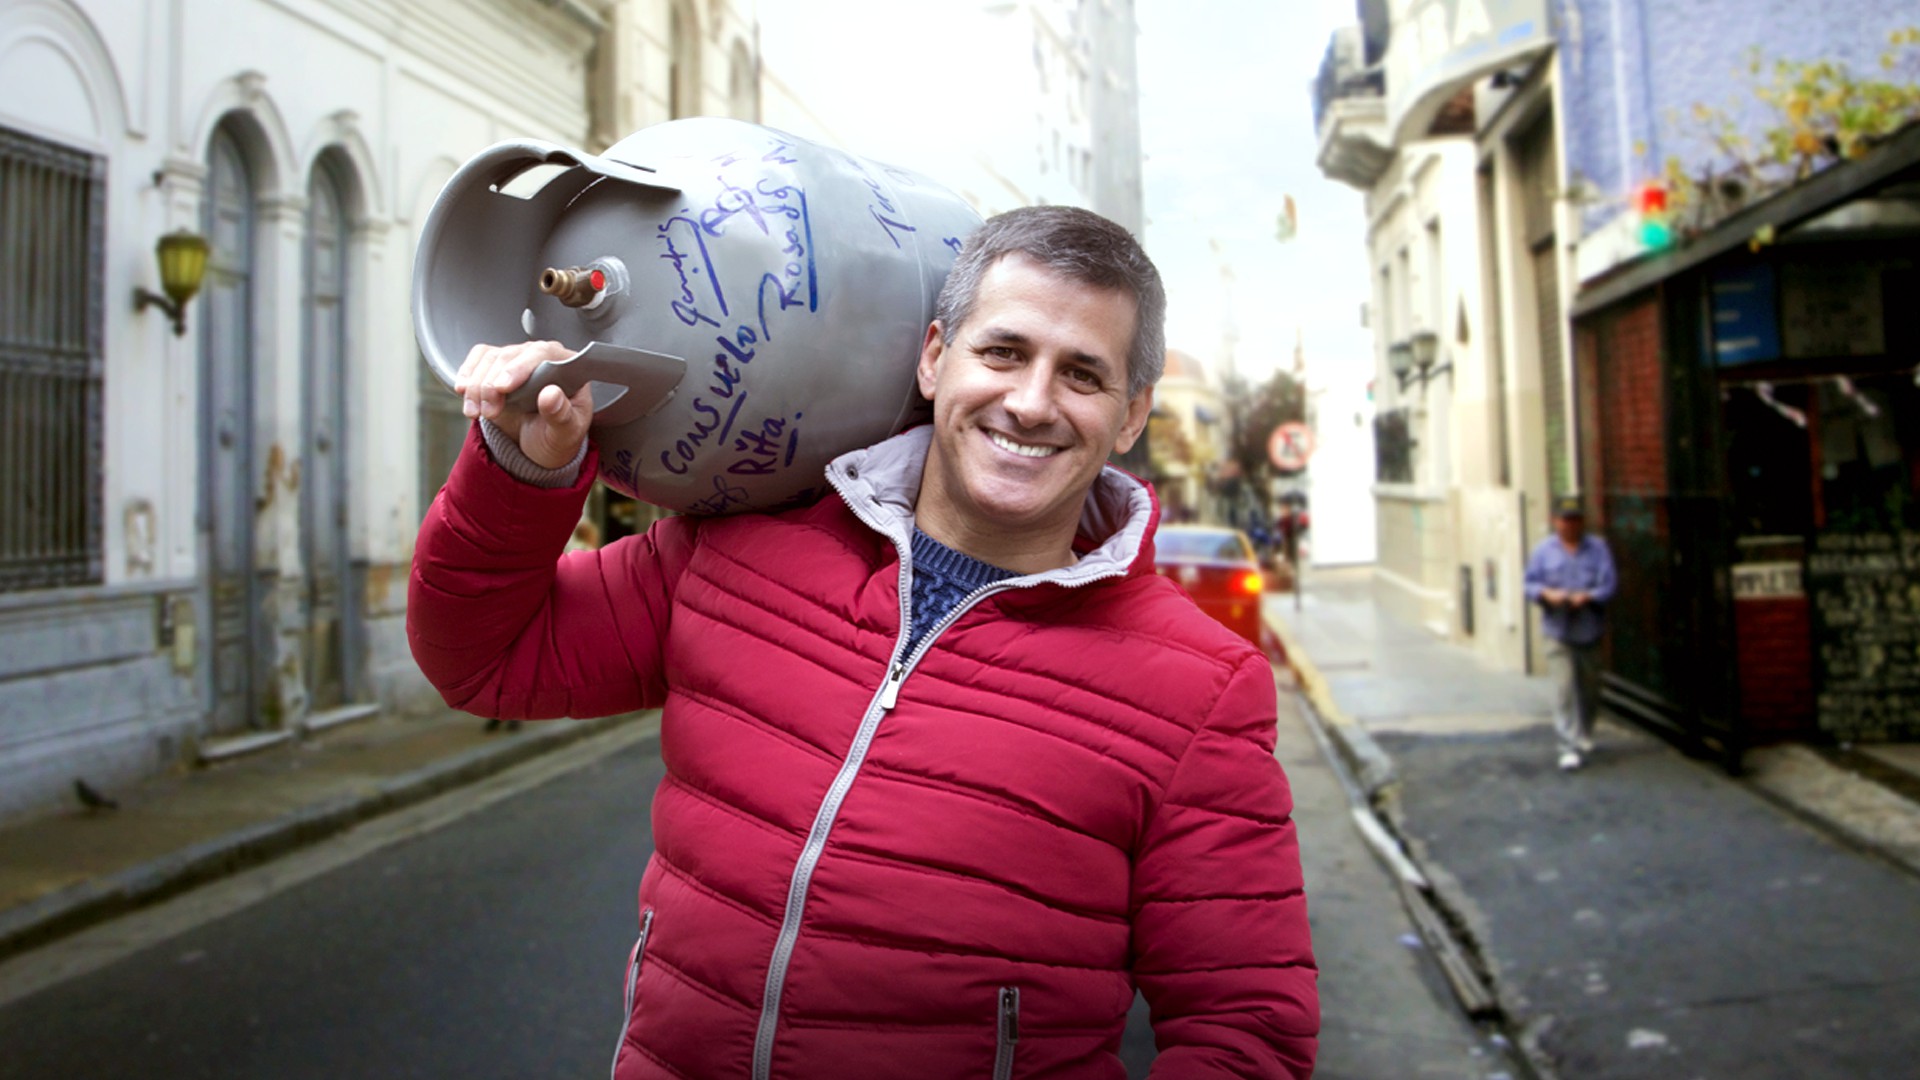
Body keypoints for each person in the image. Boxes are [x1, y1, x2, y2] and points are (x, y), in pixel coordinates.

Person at [409, 206, 1318, 1078]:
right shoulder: (741, 545)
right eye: (1002, 352)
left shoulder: (1202, 688)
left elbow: (1245, 1029)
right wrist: (525, 467)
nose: (1031, 402)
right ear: (935, 359)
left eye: (1082, 375)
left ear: (1132, 414)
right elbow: (487, 661)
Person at [1524, 495, 1618, 771]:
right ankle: (1568, 745)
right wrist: (1547, 594)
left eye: (1575, 519)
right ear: (1554, 521)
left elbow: (1609, 585)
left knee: (1590, 688)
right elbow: (1529, 584)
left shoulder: (1598, 548)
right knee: (1563, 689)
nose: (1570, 525)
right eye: (1565, 520)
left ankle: (1584, 730)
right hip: (1557, 630)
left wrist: (1588, 596)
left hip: (1589, 629)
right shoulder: (1543, 550)